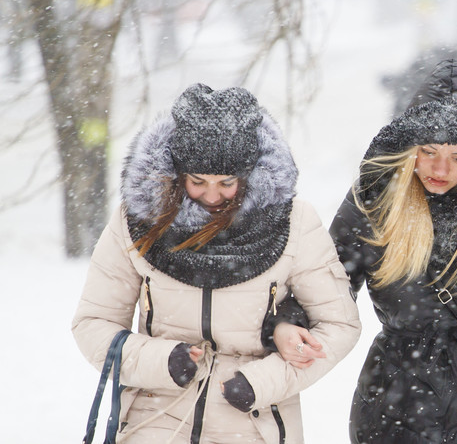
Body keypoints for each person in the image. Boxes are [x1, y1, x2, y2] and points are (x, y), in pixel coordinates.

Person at [269, 59, 457, 442]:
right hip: (397, 401)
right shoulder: (376, 201)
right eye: (428, 152)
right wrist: (286, 322)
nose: (440, 169)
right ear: (409, 149)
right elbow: (329, 283)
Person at [71, 83, 362, 443]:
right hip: (155, 416)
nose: (212, 196)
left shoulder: (295, 221)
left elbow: (339, 325)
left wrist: (261, 382)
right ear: (178, 174)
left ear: (251, 174)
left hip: (255, 420)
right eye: (197, 181)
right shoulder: (136, 221)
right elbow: (93, 324)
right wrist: (163, 361)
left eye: (227, 182)